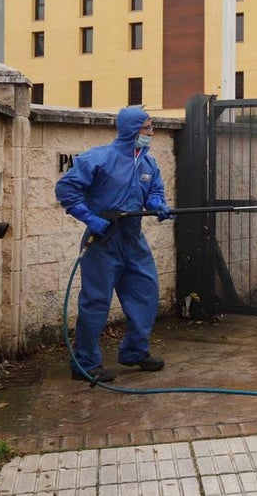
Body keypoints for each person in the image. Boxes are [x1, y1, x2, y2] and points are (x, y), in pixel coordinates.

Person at [55, 106, 172, 383]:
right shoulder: (99, 158)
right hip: (103, 240)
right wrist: (89, 218)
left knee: (146, 293)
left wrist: (157, 204)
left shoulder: (148, 163)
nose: (151, 132)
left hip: (133, 239)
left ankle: (134, 351)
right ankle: (84, 363)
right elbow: (66, 189)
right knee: (96, 302)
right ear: (132, 129)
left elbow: (154, 190)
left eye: (151, 127)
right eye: (146, 128)